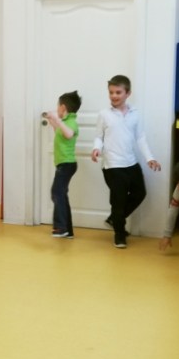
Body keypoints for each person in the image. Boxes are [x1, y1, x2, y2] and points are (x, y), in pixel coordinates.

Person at [91, 75, 161, 248]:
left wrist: (150, 158)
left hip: (131, 162)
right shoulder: (104, 114)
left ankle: (114, 219)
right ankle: (119, 235)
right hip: (112, 165)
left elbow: (140, 138)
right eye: (111, 92)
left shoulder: (134, 114)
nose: (114, 96)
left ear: (127, 93)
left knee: (140, 193)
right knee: (118, 201)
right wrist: (96, 148)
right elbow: (99, 136)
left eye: (118, 92)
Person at [44, 90, 82, 238]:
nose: (56, 109)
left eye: (57, 106)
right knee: (62, 196)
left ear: (63, 107)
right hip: (63, 164)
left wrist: (58, 120)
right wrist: (52, 121)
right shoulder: (65, 123)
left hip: (67, 165)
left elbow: (69, 134)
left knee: (56, 192)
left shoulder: (71, 122)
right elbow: (59, 133)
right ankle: (68, 230)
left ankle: (60, 228)